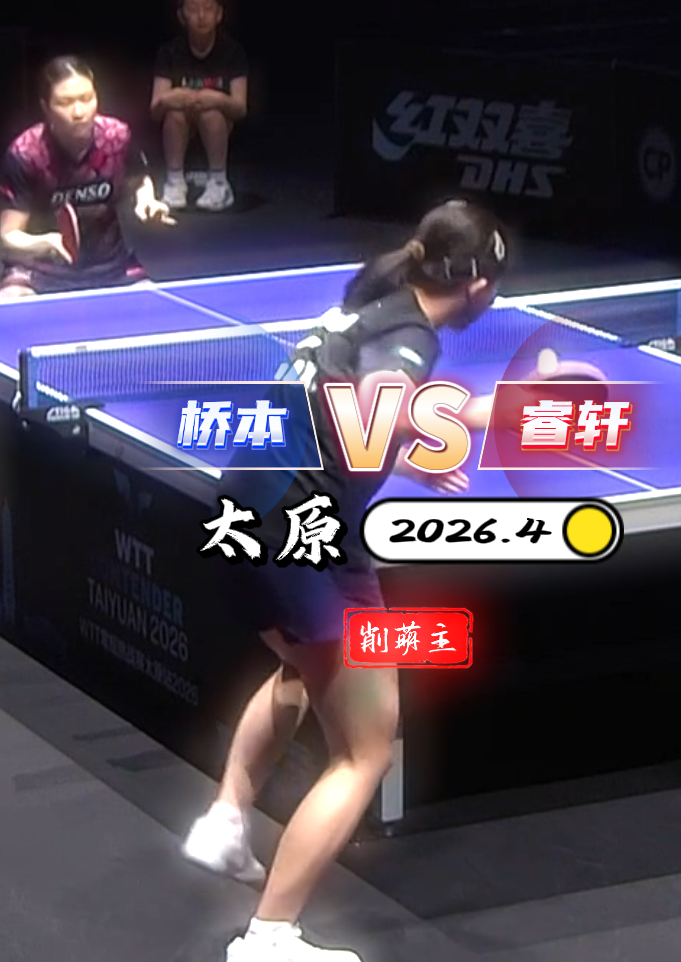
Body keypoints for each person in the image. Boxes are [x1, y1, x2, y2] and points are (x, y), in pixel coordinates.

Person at [181, 200, 511, 962]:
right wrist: (493, 412)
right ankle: (268, 939)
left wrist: (413, 460)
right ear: (477, 284)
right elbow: (373, 407)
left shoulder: (367, 308)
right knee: (366, 752)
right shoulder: (410, 335)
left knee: (301, 672)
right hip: (303, 532)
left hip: (257, 510)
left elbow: (338, 412)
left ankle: (228, 820)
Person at [0, 56, 176, 513]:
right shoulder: (27, 154)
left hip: (111, 266)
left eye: (86, 98)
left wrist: (147, 202)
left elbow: (139, 181)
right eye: (66, 102)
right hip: (40, 270)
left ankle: (165, 457)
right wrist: (42, 243)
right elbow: (9, 235)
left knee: (172, 334)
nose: (79, 110)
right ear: (46, 107)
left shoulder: (116, 137)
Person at [151, 0, 250, 213]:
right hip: (182, 126)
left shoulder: (233, 51)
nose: (201, 16)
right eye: (193, 9)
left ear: (219, 14)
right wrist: (172, 99)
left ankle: (219, 183)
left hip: (218, 127)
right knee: (174, 114)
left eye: (208, 8)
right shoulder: (169, 52)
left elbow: (240, 107)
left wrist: (215, 99)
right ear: (182, 16)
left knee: (211, 113)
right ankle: (175, 182)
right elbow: (155, 109)